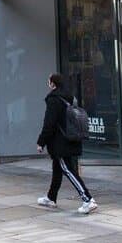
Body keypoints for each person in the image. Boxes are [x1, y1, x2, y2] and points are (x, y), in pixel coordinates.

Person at [37, 73, 98, 214]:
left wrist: (41, 142)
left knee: (68, 170)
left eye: (48, 81)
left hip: (60, 142)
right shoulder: (70, 98)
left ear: (52, 84)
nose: (48, 83)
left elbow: (49, 123)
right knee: (57, 169)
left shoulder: (54, 100)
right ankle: (51, 198)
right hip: (71, 138)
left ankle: (88, 199)